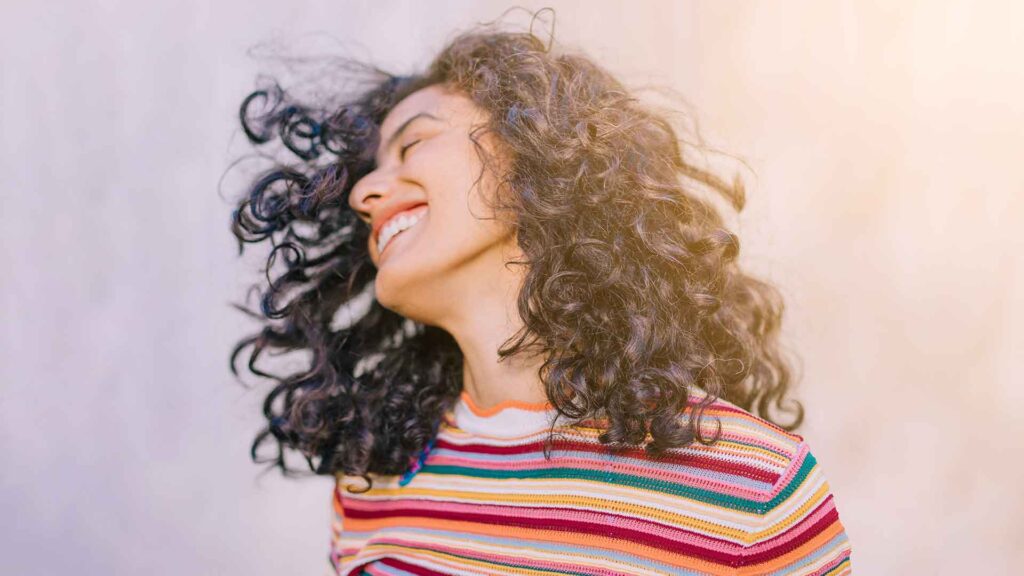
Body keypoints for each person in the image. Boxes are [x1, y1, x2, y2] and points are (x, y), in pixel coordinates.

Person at [229, 16, 854, 576]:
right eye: (369, 173)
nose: (366, 194)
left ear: (534, 158)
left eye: (412, 145)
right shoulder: (372, 485)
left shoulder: (754, 489)